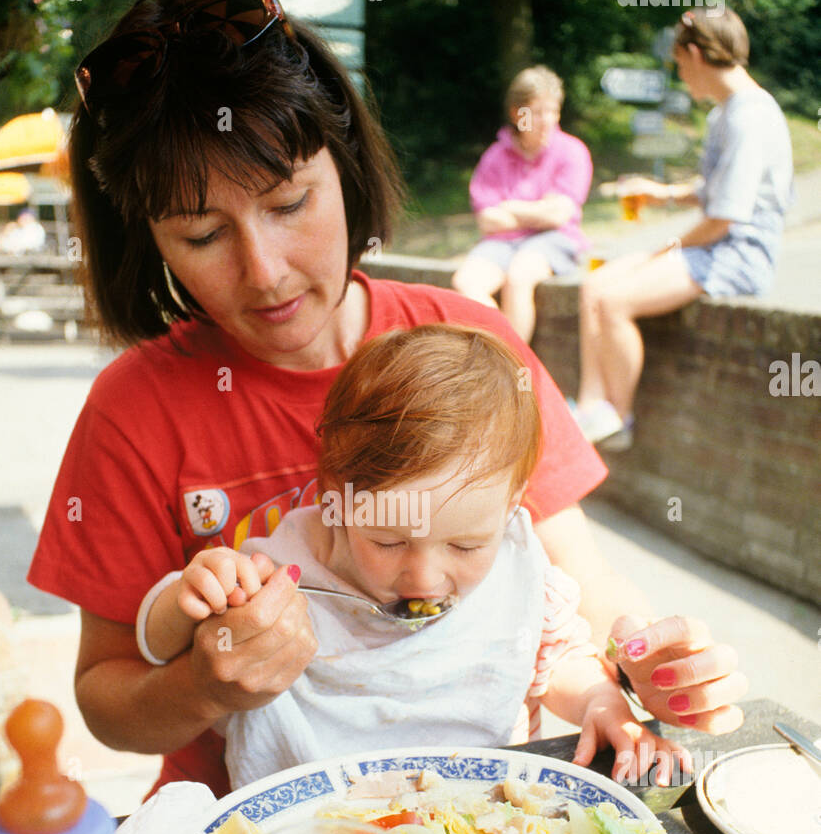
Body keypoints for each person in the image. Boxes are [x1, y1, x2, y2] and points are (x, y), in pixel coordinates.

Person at [27, 0, 746, 802]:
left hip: (479, 807)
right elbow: (107, 704)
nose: (264, 271)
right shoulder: (135, 409)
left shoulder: (469, 347)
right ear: (147, 238)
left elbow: (574, 579)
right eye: (201, 234)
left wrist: (656, 665)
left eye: (290, 203)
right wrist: (208, 687)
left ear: (344, 164)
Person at [136, 325, 690, 790]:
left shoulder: (518, 566)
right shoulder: (279, 568)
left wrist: (599, 701)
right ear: (335, 499)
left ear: (512, 507)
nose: (425, 576)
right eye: (389, 542)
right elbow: (159, 647)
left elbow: (548, 661)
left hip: (473, 820)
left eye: (466, 545)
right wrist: (190, 598)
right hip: (308, 828)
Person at [572, 6, 794, 448]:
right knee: (593, 286)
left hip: (738, 255)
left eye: (678, 63)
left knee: (615, 301)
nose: (680, 74)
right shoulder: (724, 113)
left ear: (694, 54)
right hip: (715, 247)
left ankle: (620, 419)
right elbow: (717, 188)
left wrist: (665, 250)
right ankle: (590, 408)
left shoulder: (750, 118)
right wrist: (664, 192)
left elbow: (722, 219)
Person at [451, 66, 592, 342]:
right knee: (465, 282)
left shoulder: (572, 151)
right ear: (517, 113)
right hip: (502, 241)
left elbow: (558, 215)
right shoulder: (495, 156)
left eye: (552, 111)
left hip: (555, 239)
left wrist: (510, 207)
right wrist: (538, 210)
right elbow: (488, 220)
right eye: (537, 112)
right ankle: (501, 351)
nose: (547, 120)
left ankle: (516, 367)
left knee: (519, 276)